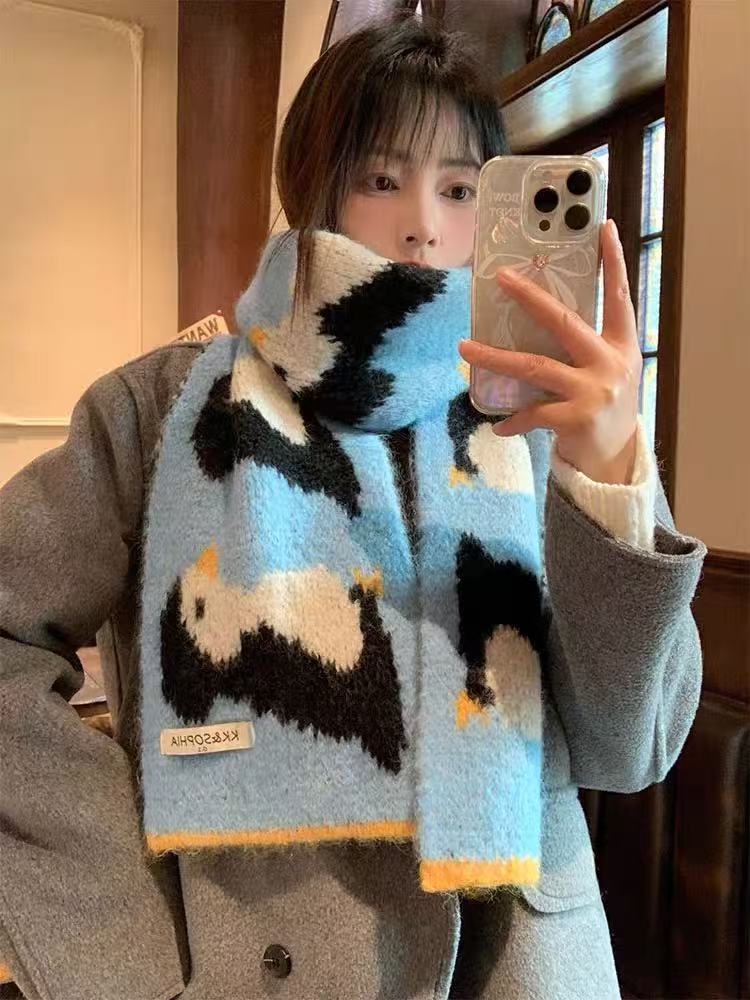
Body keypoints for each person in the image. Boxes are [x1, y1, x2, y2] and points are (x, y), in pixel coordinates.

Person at [0, 14, 707, 1000]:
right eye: (381, 178)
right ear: (312, 190)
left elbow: (629, 750)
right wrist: (117, 944)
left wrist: (612, 472)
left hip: (522, 963)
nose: (423, 224)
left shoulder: (544, 419)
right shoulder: (162, 407)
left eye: (460, 188)